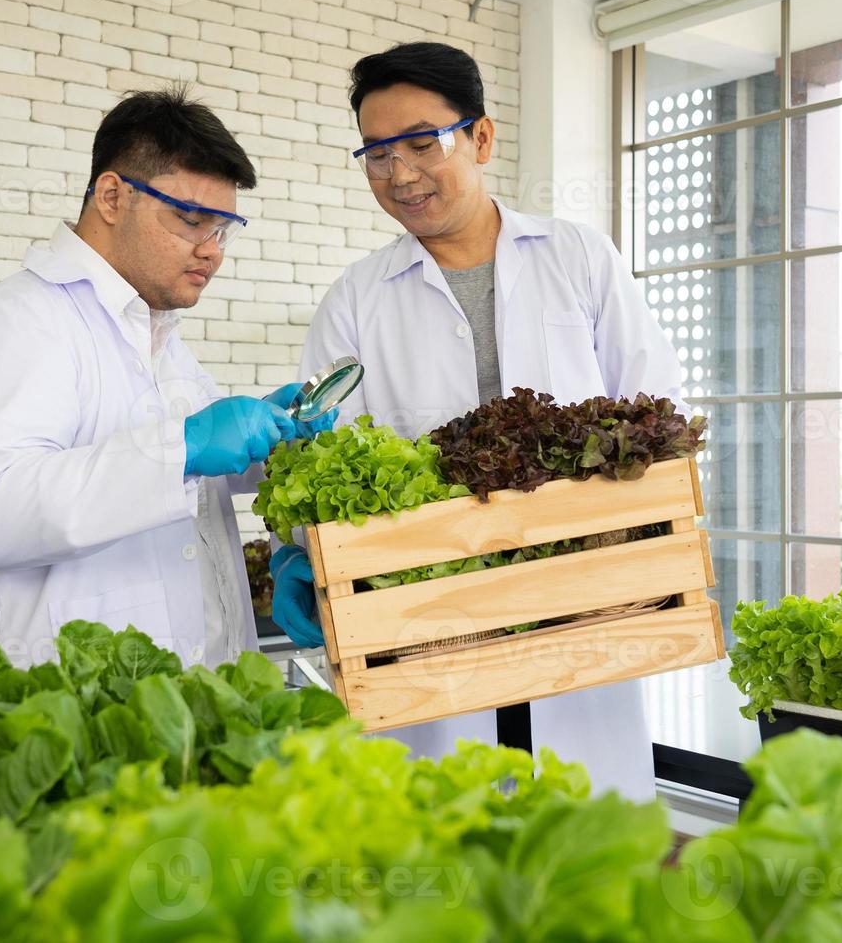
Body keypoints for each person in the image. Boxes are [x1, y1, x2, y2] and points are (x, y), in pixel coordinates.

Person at [270, 43, 684, 801]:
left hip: (579, 594)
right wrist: (300, 552)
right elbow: (318, 456)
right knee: (445, 857)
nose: (398, 174)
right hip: (428, 614)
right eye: (376, 154)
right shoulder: (356, 298)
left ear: (481, 138)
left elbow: (653, 409)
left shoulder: (578, 258)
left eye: (422, 143)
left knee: (584, 858)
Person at [0, 86, 332, 669]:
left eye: (224, 229)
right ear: (113, 196)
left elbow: (188, 482)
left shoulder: (160, 338)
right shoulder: (17, 323)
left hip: (194, 706)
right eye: (192, 221)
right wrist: (181, 449)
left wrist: (275, 440)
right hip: (73, 715)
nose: (212, 252)